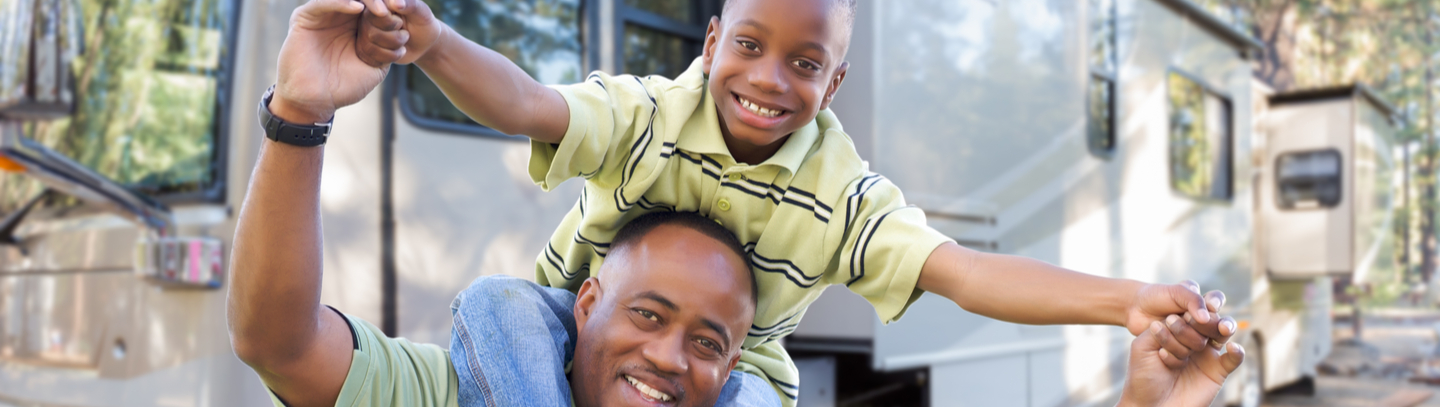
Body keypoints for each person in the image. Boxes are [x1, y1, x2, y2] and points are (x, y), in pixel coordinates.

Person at [228, 2, 1245, 403]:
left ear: (835, 86)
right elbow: (527, 103)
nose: (670, 356)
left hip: (756, 375)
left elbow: (968, 272)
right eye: (749, 46)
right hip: (541, 320)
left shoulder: (845, 195)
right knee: (498, 310)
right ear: (710, 41)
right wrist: (418, 52)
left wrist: (1122, 308)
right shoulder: (642, 117)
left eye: (806, 63)